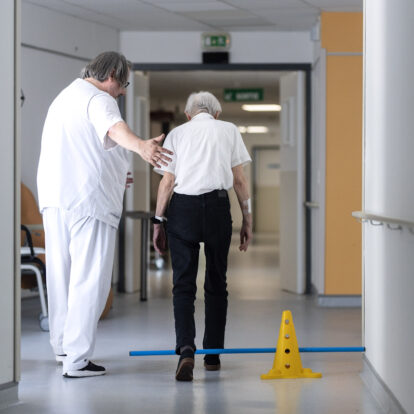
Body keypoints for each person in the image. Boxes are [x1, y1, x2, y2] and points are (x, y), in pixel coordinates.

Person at [37, 51, 172, 378]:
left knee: (60, 275)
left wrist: (118, 167)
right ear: (110, 73)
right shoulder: (99, 98)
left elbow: (86, 146)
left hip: (56, 199)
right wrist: (141, 147)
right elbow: (114, 129)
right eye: (123, 83)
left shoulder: (63, 98)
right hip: (89, 203)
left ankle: (62, 348)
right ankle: (78, 359)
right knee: (89, 279)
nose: (123, 91)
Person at [152, 91, 252, 381]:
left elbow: (167, 182)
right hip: (218, 207)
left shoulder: (178, 134)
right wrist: (247, 218)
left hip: (183, 208)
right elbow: (239, 180)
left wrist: (158, 221)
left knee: (183, 284)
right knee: (217, 282)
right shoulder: (229, 130)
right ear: (217, 114)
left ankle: (185, 350)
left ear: (188, 114)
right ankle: (213, 355)